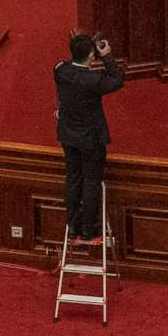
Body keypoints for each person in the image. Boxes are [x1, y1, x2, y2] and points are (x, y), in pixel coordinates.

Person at [51, 31, 121, 244]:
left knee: (73, 178)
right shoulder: (94, 79)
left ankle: (73, 226)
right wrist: (107, 56)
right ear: (91, 56)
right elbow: (117, 80)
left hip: (68, 135)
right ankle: (89, 230)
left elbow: (69, 64)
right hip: (90, 139)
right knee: (91, 181)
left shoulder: (60, 70)